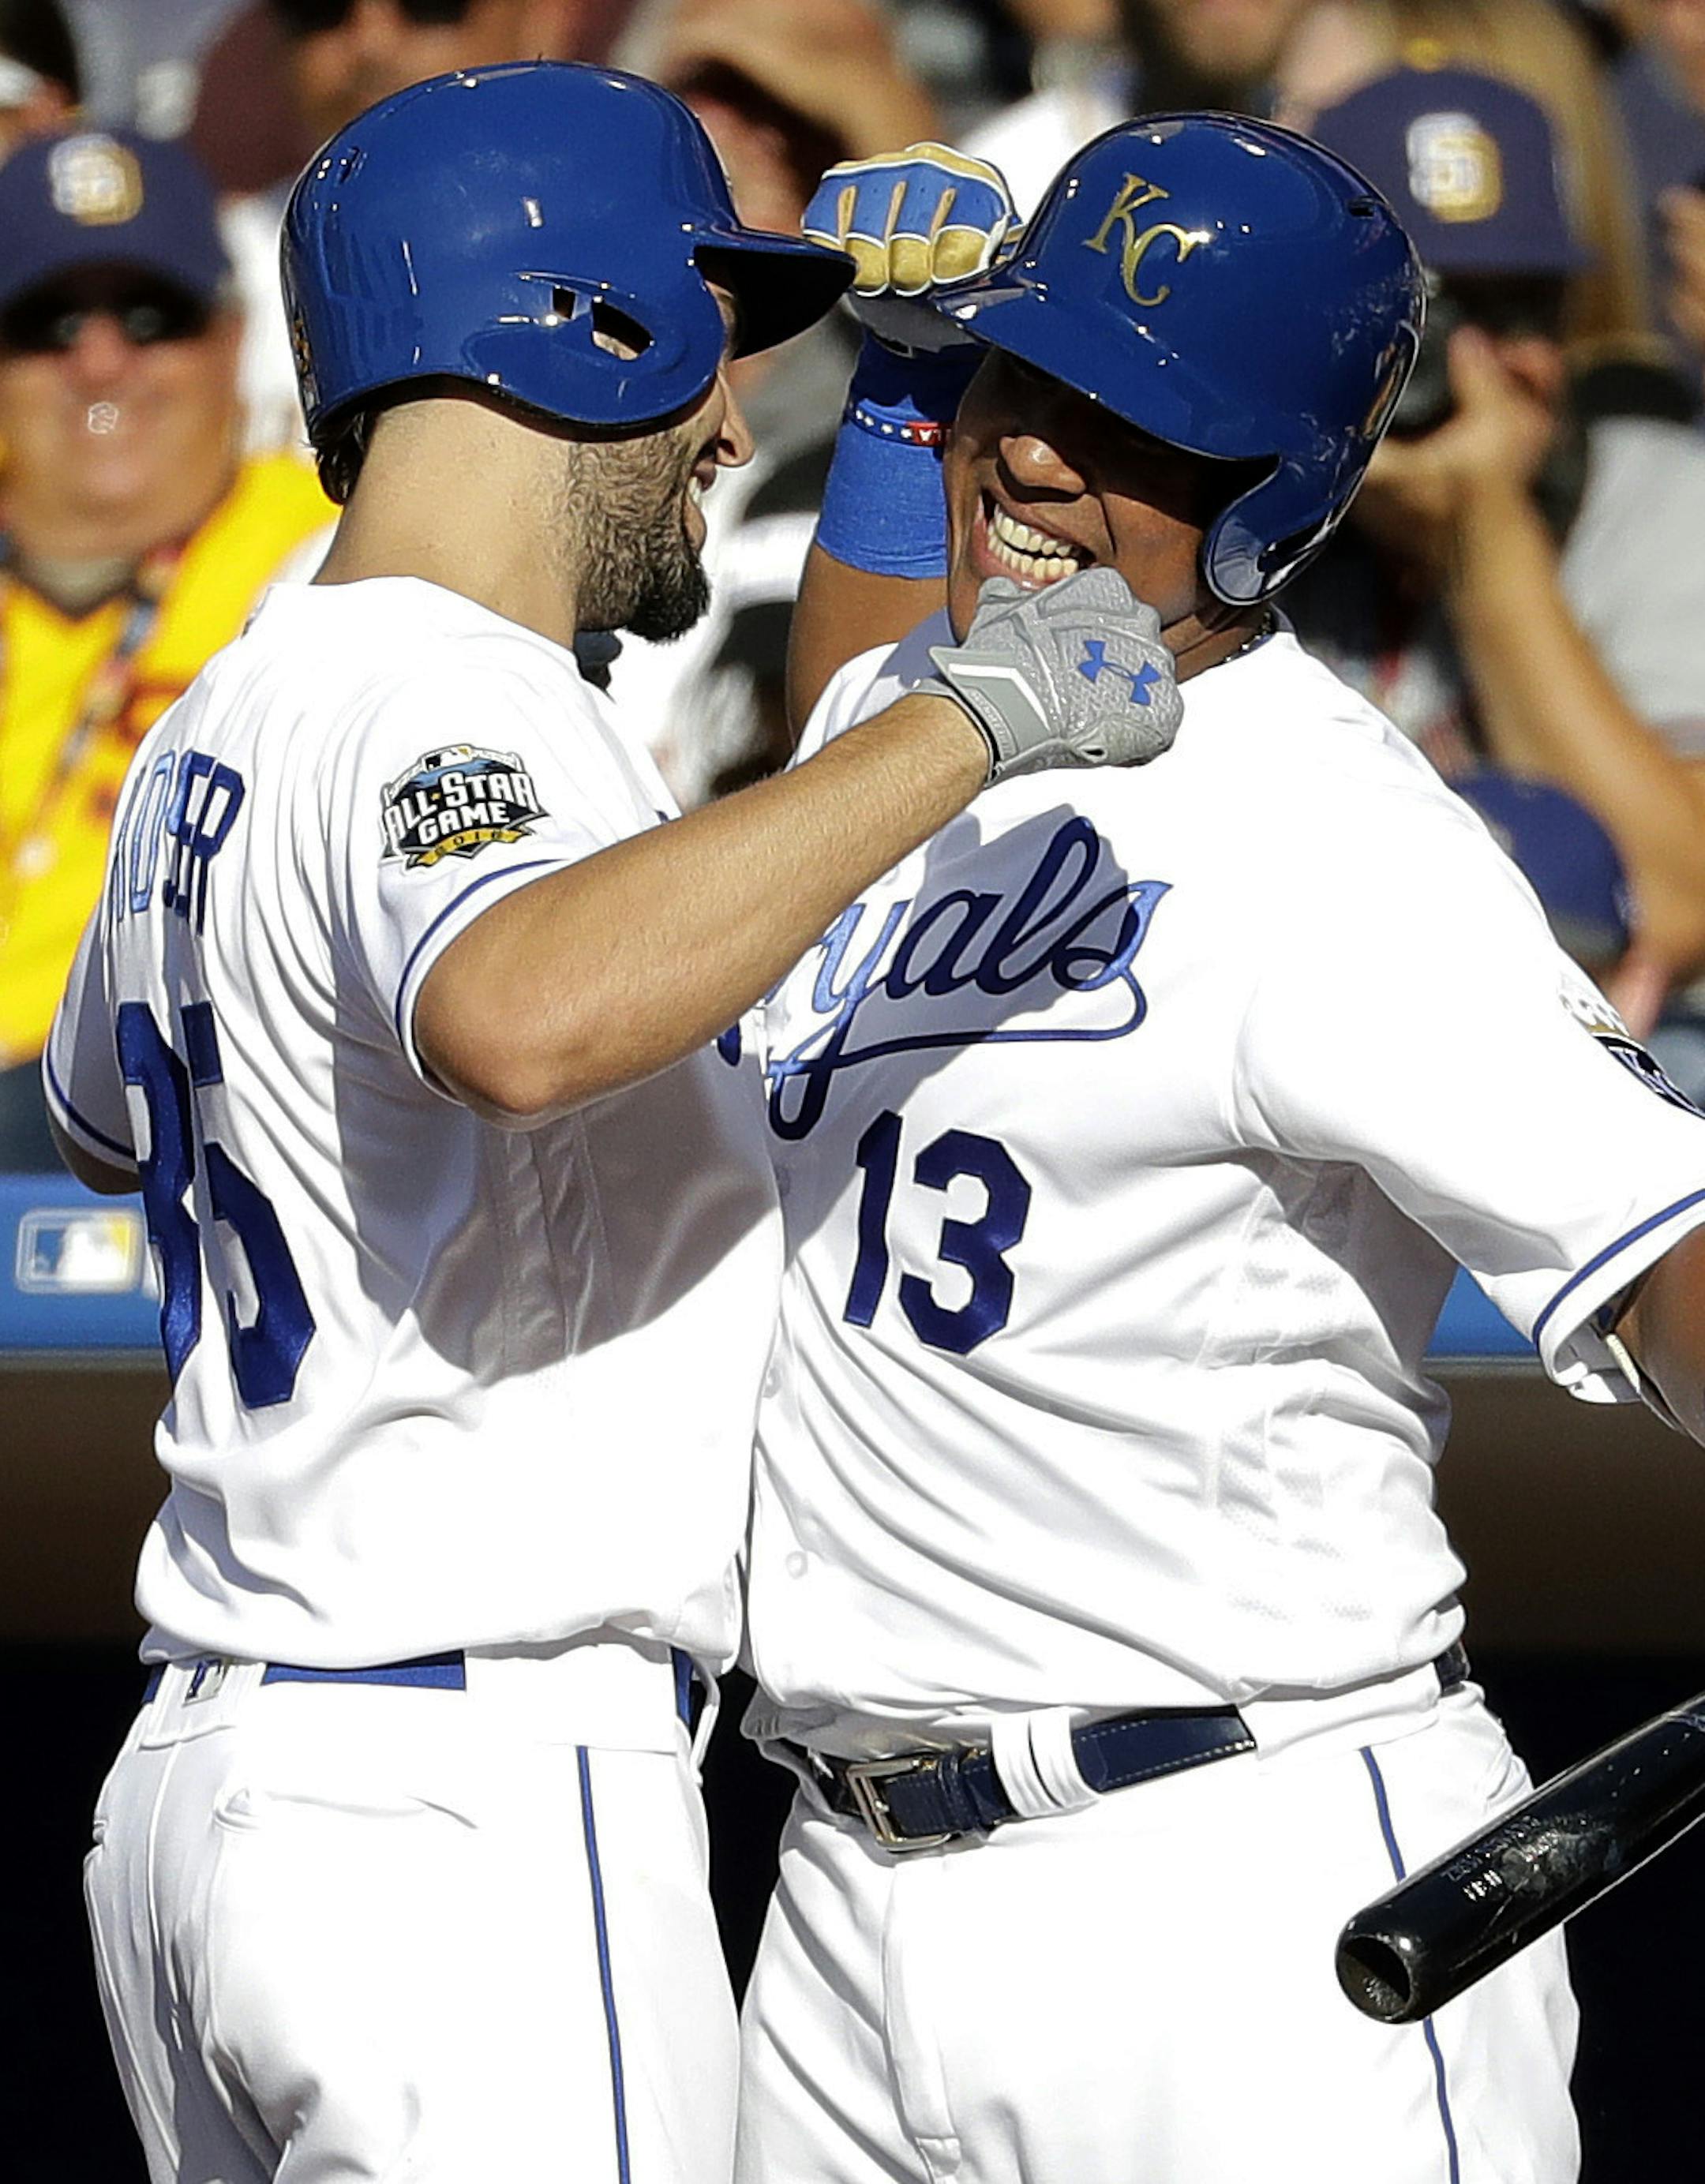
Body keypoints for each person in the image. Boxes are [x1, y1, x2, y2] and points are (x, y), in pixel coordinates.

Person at [44, 61, 1179, 2184]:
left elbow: (113, 1113)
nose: (733, 429)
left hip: (213, 1791)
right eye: (718, 359)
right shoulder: (455, 691)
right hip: (462, 1789)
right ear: (591, 329)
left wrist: (914, 401)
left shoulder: (228, 704)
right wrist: (974, 705)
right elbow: (526, 1008)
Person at [733, 122, 1705, 2184]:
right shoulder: (911, 714)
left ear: (1271, 498)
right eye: (1024, 381)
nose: (1039, 459)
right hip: (835, 1887)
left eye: (1135, 427)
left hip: (1233, 1885)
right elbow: (839, 705)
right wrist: (901, 384)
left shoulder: (1329, 834)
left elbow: (1662, 1237)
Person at [1288, 66, 1705, 1052]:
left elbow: (1672, 909)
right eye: (1431, 313)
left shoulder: (1661, 495)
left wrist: (1483, 531)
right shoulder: (1234, 500)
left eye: (1518, 308)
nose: (1474, 363)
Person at [0, 125, 331, 1167]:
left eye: (154, 315)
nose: (101, 358)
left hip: (168, 1110)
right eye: (49, 321)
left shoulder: (332, 546)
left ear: (233, 337)